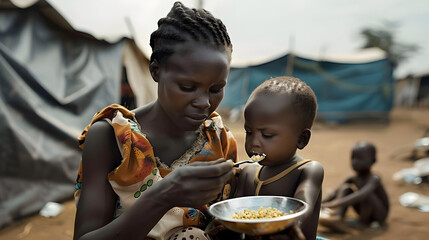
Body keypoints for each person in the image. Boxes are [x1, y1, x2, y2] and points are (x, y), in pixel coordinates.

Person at [73, 2, 237, 240]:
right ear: (156, 70)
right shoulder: (113, 137)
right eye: (188, 87)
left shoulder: (219, 139)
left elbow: (228, 225)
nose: (204, 102)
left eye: (216, 89)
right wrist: (163, 195)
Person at [232, 76, 324, 240]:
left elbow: (304, 202)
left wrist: (291, 225)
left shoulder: (308, 170)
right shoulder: (248, 173)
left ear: (301, 139)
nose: (254, 143)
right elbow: (234, 214)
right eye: (249, 132)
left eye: (267, 135)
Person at [319, 141, 389, 232]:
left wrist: (333, 204)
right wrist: (321, 203)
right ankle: (338, 218)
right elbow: (335, 193)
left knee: (367, 195)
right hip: (363, 208)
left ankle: (363, 223)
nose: (354, 162)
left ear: (373, 160)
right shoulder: (353, 178)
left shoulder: (374, 178)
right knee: (345, 188)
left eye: (360, 158)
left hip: (378, 215)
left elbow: (361, 195)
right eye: (353, 158)